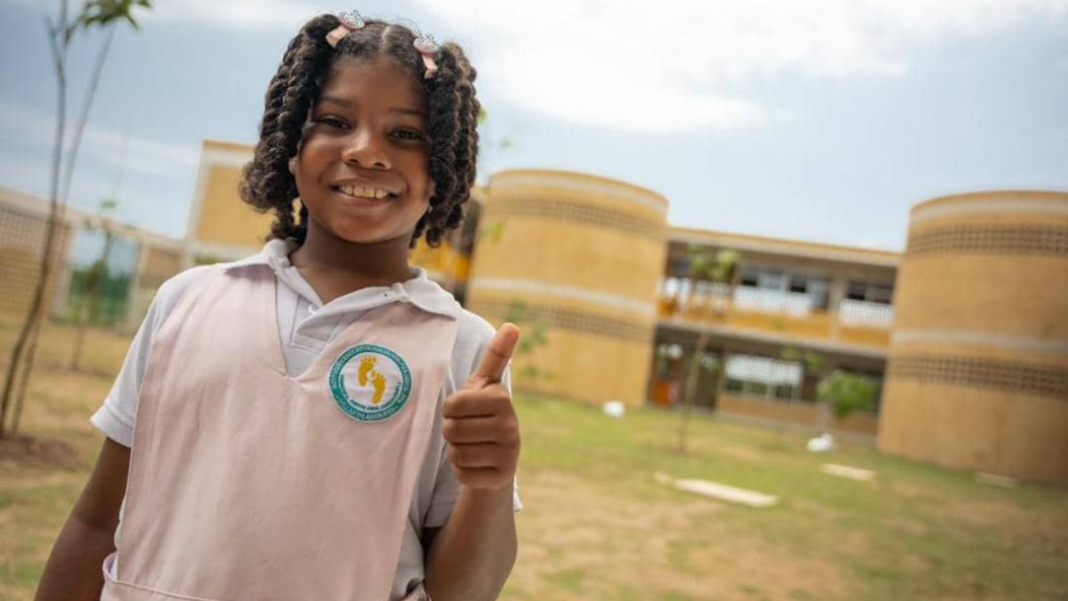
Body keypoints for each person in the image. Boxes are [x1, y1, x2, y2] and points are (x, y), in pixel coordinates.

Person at [35, 11, 522, 601]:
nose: (366, 152)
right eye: (335, 122)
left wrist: (490, 485)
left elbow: (465, 592)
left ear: (443, 169)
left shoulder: (461, 346)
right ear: (291, 144)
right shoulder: (187, 302)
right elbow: (93, 523)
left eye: (405, 134)